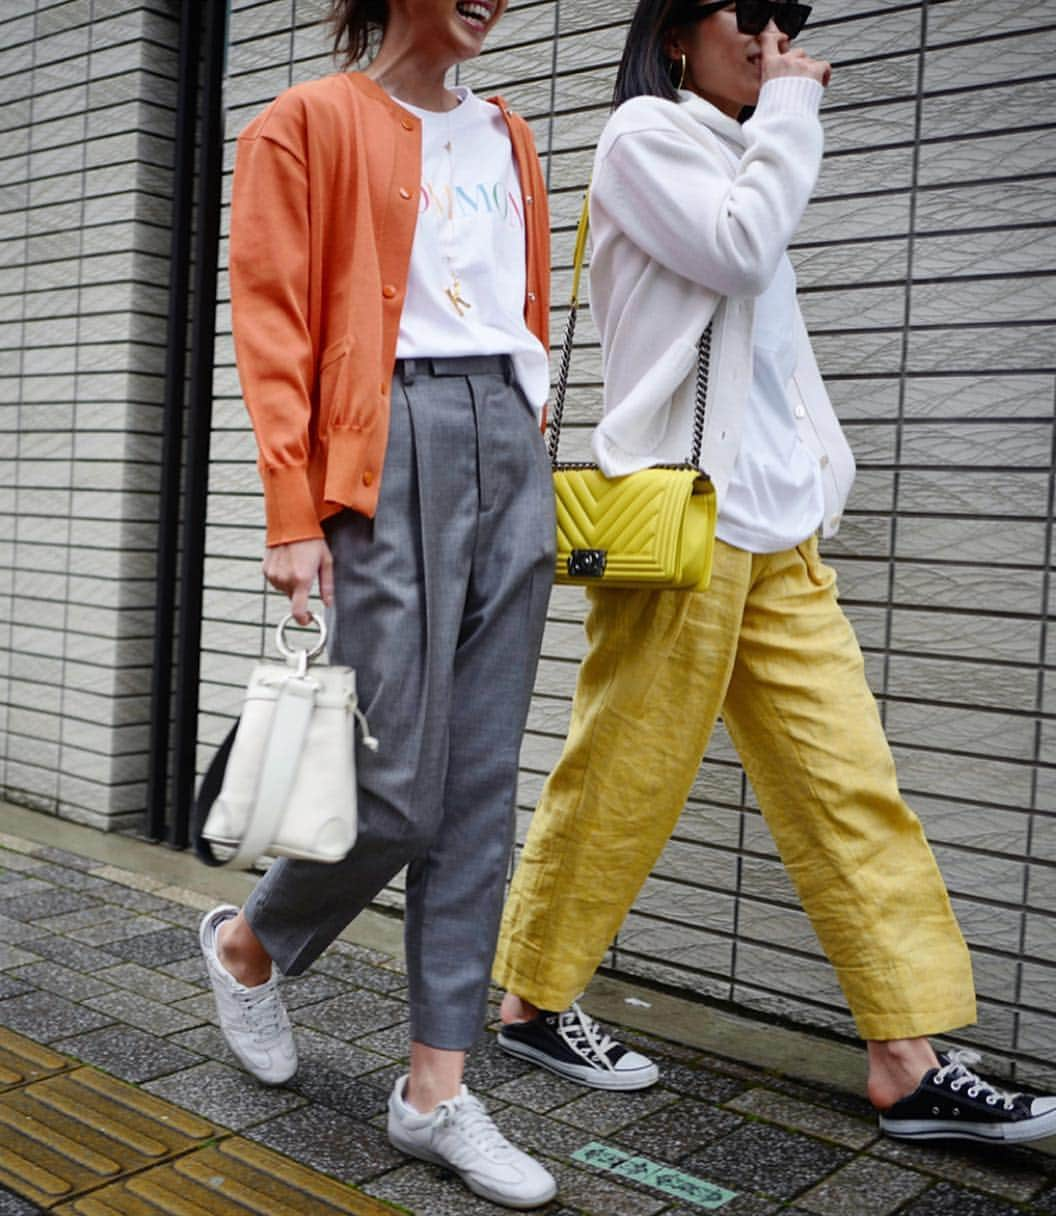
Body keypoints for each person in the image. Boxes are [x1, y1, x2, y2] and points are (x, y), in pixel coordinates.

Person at [491, 0, 1056, 1146]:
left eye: (788, 19)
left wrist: (822, 471)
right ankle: (530, 1001)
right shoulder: (646, 140)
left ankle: (907, 1063)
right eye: (746, 13)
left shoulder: (747, 151)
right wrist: (797, 105)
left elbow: (773, 351)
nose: (772, 36)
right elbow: (739, 247)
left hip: (777, 536)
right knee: (622, 777)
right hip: (683, 530)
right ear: (673, 34)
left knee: (849, 781)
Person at [198, 0, 559, 1206]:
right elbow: (274, 326)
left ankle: (435, 1090)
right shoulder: (305, 124)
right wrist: (292, 514)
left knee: (478, 786)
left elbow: (522, 310)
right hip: (386, 442)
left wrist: (528, 434)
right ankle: (251, 943)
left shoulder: (509, 134)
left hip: (510, 439)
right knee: (395, 781)